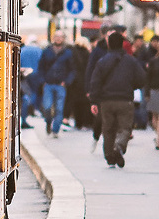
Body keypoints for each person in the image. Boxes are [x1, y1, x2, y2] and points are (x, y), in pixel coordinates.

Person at [89, 31, 146, 168]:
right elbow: (142, 79)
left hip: (106, 101)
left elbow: (95, 82)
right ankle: (118, 147)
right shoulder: (131, 61)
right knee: (124, 127)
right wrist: (131, 86)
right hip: (125, 99)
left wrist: (94, 101)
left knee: (108, 129)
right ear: (123, 44)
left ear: (108, 43)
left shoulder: (102, 61)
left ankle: (109, 156)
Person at [37, 30, 75, 137]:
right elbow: (41, 67)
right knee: (47, 107)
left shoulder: (68, 53)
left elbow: (72, 69)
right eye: (56, 36)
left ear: (63, 38)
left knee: (59, 108)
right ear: (53, 38)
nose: (58, 38)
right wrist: (43, 81)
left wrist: (67, 81)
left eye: (60, 37)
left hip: (60, 85)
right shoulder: (47, 51)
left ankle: (55, 130)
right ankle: (48, 122)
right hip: (48, 83)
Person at [19, 35, 43, 128]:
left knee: (26, 93)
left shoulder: (23, 50)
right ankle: (33, 107)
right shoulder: (39, 50)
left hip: (24, 75)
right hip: (36, 74)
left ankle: (29, 107)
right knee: (34, 92)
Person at [145, 35, 159, 150]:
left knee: (156, 116)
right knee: (155, 116)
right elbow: (147, 78)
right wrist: (146, 93)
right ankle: (158, 135)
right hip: (154, 90)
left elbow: (147, 78)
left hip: (154, 90)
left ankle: (158, 139)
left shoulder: (153, 62)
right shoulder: (153, 61)